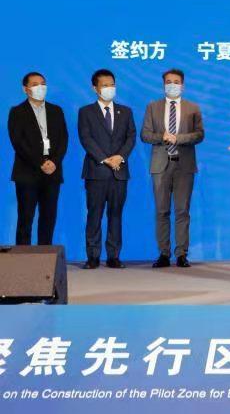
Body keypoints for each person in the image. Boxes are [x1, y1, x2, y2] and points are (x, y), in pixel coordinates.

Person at [140, 69, 204, 268]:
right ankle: (164, 253)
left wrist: (178, 138)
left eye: (176, 82)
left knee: (182, 211)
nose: (172, 85)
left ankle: (181, 254)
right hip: (160, 165)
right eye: (168, 82)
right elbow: (145, 135)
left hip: (184, 165)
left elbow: (199, 135)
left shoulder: (193, 108)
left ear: (182, 85)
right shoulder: (153, 107)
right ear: (163, 84)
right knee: (162, 211)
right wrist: (162, 137)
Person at [77, 69, 136, 269]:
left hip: (119, 171)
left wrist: (120, 157)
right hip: (96, 171)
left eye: (112, 85)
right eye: (105, 85)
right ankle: (93, 256)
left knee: (116, 215)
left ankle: (113, 256)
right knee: (94, 214)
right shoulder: (86, 112)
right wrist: (105, 159)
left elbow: (131, 137)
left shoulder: (125, 111)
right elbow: (86, 138)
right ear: (95, 88)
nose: (109, 88)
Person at [7, 71, 68, 245]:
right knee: (25, 218)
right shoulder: (17, 112)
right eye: (35, 84)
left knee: (49, 217)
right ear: (25, 89)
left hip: (52, 171)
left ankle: (45, 255)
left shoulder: (56, 111)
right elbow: (18, 142)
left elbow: (63, 139)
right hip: (27, 172)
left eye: (43, 83)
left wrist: (54, 162)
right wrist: (41, 163)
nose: (40, 87)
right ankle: (22, 256)